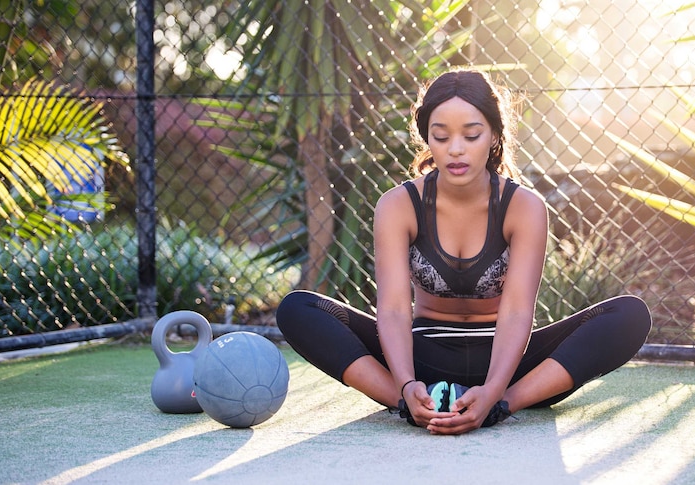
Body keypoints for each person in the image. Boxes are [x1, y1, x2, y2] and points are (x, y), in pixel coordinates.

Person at [276, 68, 652, 435]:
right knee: (298, 309)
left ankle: (504, 405)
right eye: (440, 137)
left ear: (492, 135)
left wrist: (494, 393)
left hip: (507, 363)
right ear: (427, 138)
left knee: (629, 315)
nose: (455, 149)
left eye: (471, 135)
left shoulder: (524, 207)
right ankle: (411, 405)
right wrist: (406, 385)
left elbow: (519, 310)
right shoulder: (398, 205)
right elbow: (391, 309)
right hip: (422, 358)